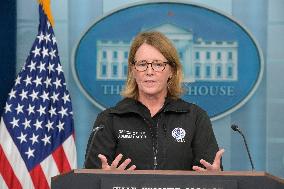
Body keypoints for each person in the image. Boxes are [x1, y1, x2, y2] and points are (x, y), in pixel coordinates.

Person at [84, 31, 224, 171]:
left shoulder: (195, 117)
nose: (149, 71)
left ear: (172, 71)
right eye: (142, 64)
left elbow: (211, 172)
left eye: (158, 64)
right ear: (133, 70)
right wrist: (106, 179)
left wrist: (215, 178)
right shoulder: (109, 119)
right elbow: (91, 177)